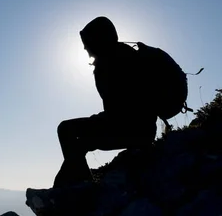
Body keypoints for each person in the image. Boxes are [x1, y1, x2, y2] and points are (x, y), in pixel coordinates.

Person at [53, 16, 157, 188]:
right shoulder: (125, 54)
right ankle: (81, 183)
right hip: (140, 127)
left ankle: (82, 186)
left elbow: (123, 110)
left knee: (68, 131)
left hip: (133, 130)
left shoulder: (111, 62)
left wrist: (97, 127)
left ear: (98, 40)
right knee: (72, 136)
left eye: (87, 42)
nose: (85, 47)